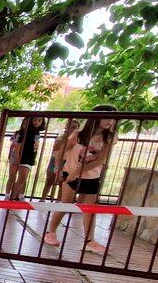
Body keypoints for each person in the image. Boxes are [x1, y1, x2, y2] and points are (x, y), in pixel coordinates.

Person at [44, 105, 118, 254]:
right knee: (66, 204)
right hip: (69, 174)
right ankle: (50, 232)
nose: (110, 121)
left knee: (90, 209)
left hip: (91, 177)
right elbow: (59, 152)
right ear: (96, 117)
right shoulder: (78, 134)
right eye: (106, 116)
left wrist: (77, 172)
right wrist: (58, 169)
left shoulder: (110, 137)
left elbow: (100, 160)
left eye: (112, 118)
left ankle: (89, 241)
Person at [4, 115, 47, 200]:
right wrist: (15, 156)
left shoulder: (37, 133)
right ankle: (9, 196)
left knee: (23, 178)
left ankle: (16, 196)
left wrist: (34, 156)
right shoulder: (22, 132)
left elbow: (35, 146)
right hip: (20, 156)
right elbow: (16, 145)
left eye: (39, 120)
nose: (37, 122)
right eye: (34, 120)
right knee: (13, 176)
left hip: (29, 157)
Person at [40, 118, 82, 199]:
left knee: (62, 183)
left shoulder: (77, 140)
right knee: (49, 181)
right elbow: (55, 148)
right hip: (55, 160)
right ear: (66, 127)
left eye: (75, 127)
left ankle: (58, 201)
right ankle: (42, 199)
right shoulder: (61, 137)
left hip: (67, 162)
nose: (72, 129)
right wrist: (66, 138)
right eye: (70, 127)